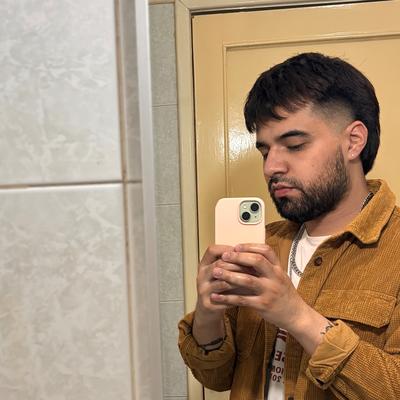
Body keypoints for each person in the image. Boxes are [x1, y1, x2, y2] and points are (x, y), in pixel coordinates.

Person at [178, 52, 400, 399]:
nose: (271, 167)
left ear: (353, 141)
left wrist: (296, 315)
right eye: (265, 151)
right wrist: (208, 314)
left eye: (294, 145)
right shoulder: (261, 245)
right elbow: (217, 376)